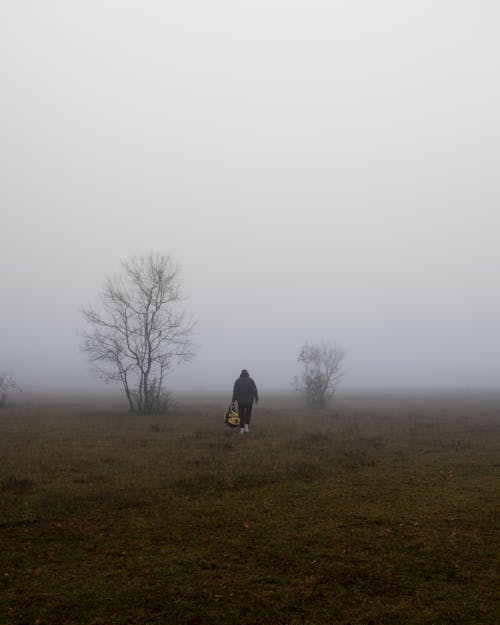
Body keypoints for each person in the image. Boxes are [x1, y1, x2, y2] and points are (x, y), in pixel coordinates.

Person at [232, 369, 259, 434]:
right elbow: (255, 390)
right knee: (248, 414)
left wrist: (233, 400)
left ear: (241, 374)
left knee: (241, 415)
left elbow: (235, 391)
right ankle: (246, 427)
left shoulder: (237, 381)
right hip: (249, 401)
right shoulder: (251, 380)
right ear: (247, 374)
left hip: (240, 401)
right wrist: (256, 398)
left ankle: (241, 429)